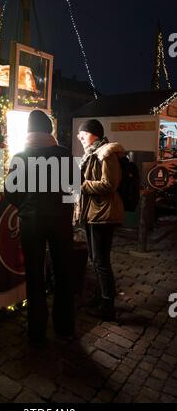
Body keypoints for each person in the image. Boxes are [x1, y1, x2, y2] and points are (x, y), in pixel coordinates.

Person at [4, 110, 75, 343]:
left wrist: (26, 204)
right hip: (60, 222)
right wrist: (62, 208)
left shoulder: (20, 157)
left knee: (34, 275)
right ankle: (64, 327)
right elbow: (74, 190)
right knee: (64, 272)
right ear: (50, 130)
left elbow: (10, 194)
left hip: (31, 222)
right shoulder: (64, 154)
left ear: (28, 130)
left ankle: (36, 331)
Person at [77, 119, 125, 320]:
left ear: (94, 134)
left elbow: (109, 184)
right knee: (95, 259)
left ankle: (107, 306)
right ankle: (101, 297)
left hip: (103, 214)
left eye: (83, 134)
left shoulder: (106, 153)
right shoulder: (91, 154)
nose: (80, 138)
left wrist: (82, 184)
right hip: (93, 213)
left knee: (101, 260)